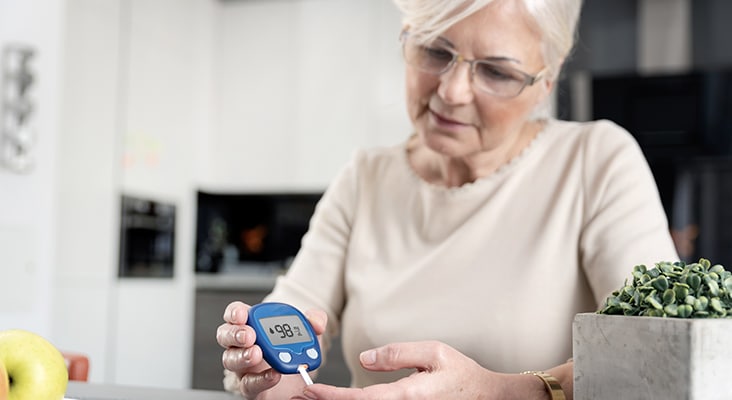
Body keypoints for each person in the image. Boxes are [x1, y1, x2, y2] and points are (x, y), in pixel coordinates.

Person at [216, 0, 680, 398]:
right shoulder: (365, 177)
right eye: (435, 50)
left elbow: (660, 353)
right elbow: (290, 315)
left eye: (497, 72)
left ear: (547, 79)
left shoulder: (596, 161)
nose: (451, 92)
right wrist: (262, 373)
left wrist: (504, 392)